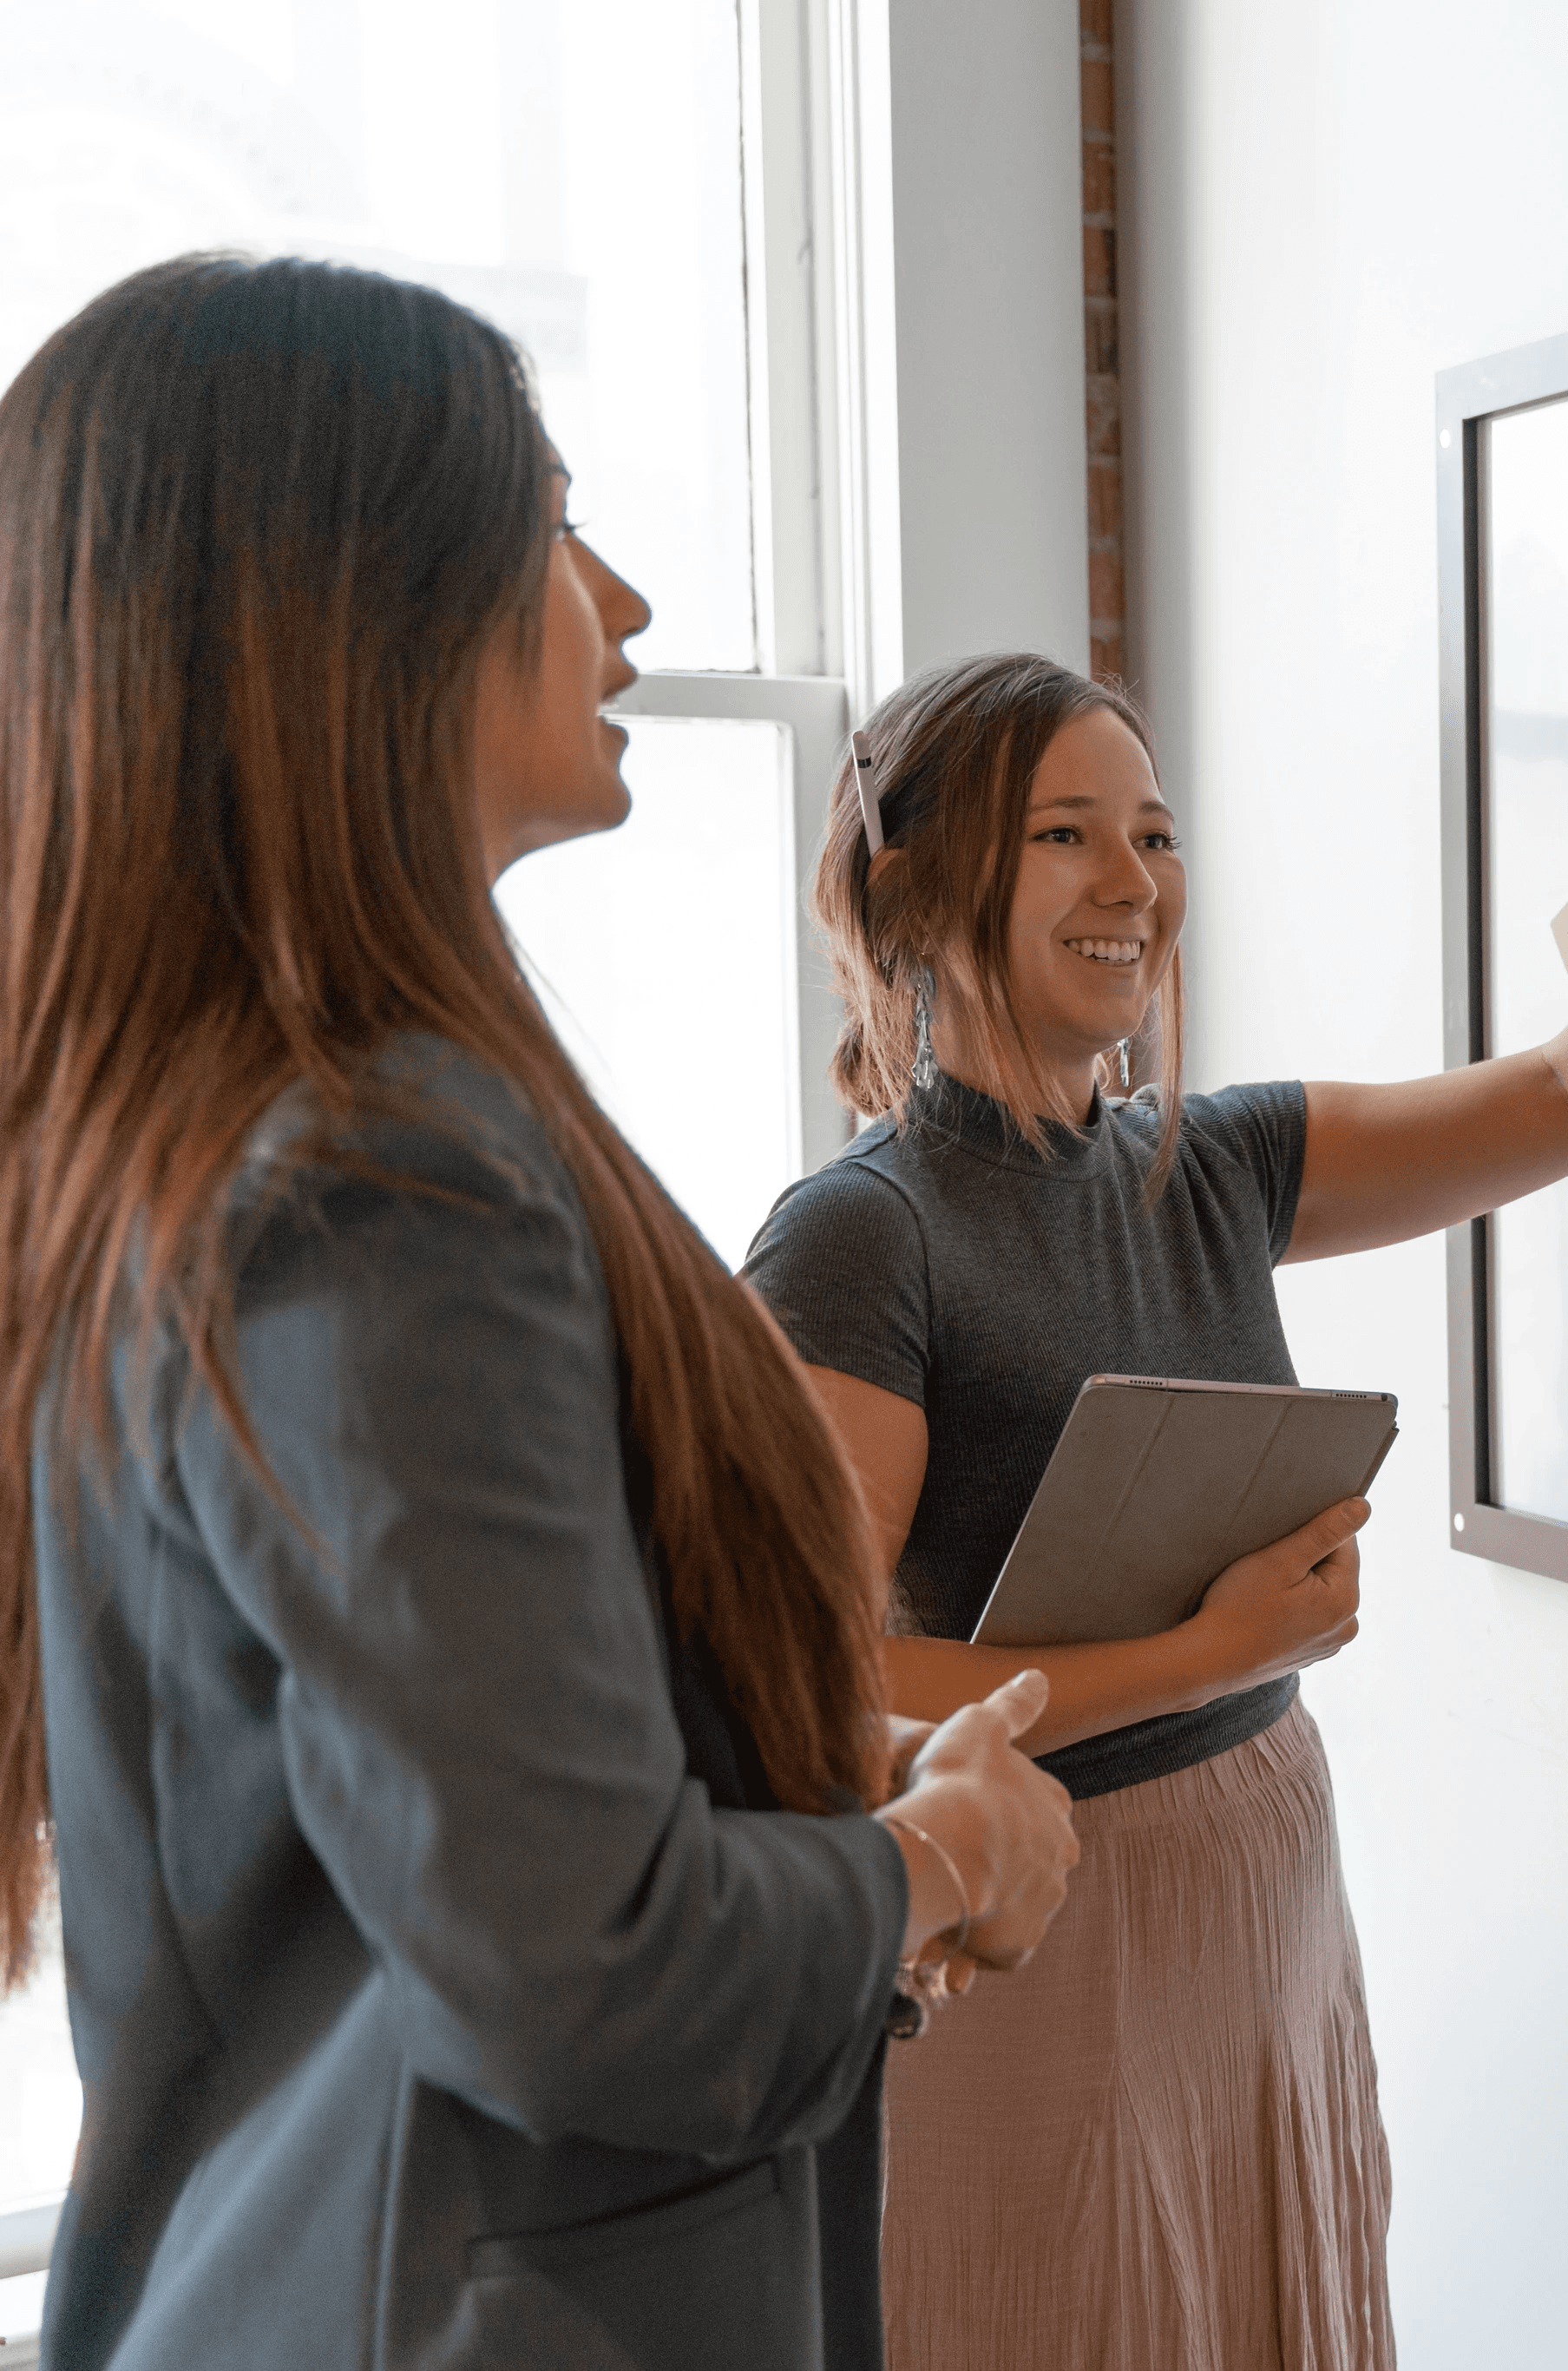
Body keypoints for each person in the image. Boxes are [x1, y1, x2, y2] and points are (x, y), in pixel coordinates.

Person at [0, 260, 1080, 2371]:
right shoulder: (380, 1177)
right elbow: (578, 1963)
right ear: (350, 609)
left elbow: (425, 1783)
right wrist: (934, 1858)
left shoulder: (216, 1142)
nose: (627, 604)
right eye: (555, 520)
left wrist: (817, 1783)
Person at [744, 654, 1568, 2371]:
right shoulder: (861, 1234)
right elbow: (808, 1680)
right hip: (1033, 1916)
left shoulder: (1207, 1162)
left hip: (1258, 1871)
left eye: (1149, 829)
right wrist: (1204, 1651)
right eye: (1064, 833)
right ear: (916, 889)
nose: (1131, 881)